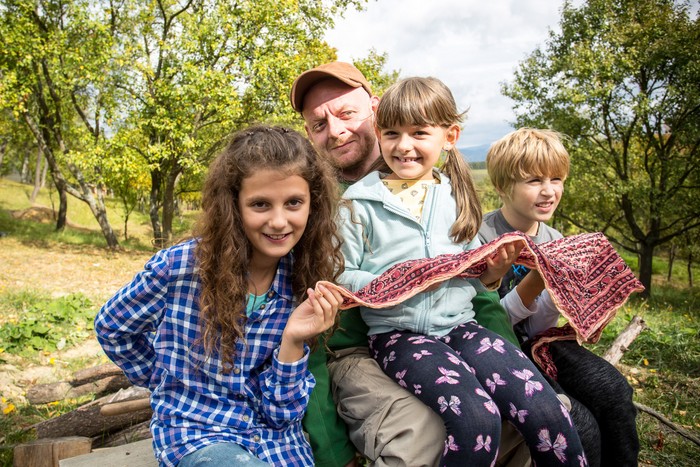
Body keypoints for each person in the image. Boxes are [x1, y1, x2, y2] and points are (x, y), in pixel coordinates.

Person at [337, 76, 586, 466]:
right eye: (391, 133)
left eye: (419, 132)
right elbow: (342, 273)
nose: (404, 145)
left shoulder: (453, 196)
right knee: (475, 418)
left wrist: (493, 270)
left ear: (449, 137)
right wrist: (391, 282)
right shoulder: (359, 204)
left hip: (463, 327)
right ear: (378, 134)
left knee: (544, 408)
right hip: (400, 336)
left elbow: (476, 273)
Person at [291, 62, 529, 467]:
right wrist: (330, 449)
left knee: (535, 416)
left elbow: (474, 292)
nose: (334, 130)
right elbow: (305, 328)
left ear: (376, 110)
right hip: (359, 353)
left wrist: (518, 367)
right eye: (318, 124)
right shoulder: (310, 208)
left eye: (346, 113)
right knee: (422, 436)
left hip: (443, 336)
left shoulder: (436, 190)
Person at [94, 125, 345, 467]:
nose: (278, 221)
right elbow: (113, 327)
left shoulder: (303, 278)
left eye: (293, 203)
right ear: (232, 205)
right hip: (200, 435)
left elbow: (281, 415)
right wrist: (165, 380)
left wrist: (292, 342)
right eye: (260, 204)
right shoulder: (181, 268)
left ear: (312, 204)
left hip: (276, 444)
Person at [478, 128, 639, 467]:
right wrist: (537, 279)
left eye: (557, 178)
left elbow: (542, 325)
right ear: (501, 186)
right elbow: (490, 325)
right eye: (534, 180)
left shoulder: (553, 238)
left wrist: (578, 294)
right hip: (498, 348)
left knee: (615, 393)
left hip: (541, 343)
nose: (549, 191)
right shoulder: (480, 236)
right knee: (581, 425)